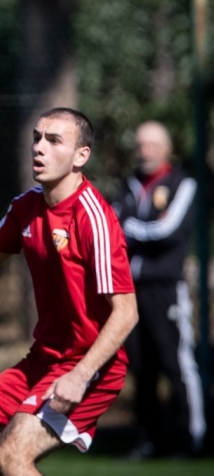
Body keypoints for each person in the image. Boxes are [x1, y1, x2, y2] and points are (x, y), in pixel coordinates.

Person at [0, 107, 138, 476]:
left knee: (12, 456)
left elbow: (126, 312)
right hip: (42, 360)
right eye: (37, 138)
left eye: (54, 140)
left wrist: (80, 375)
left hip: (91, 365)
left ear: (82, 156)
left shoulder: (93, 217)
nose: (39, 148)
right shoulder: (26, 207)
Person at [112, 120, 205, 459]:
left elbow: (167, 229)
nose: (144, 151)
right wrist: (128, 229)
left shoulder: (184, 183)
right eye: (139, 145)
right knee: (140, 366)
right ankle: (147, 439)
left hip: (165, 290)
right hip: (129, 292)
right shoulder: (129, 185)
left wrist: (131, 228)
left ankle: (192, 437)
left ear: (167, 148)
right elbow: (111, 225)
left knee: (175, 362)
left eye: (151, 144)